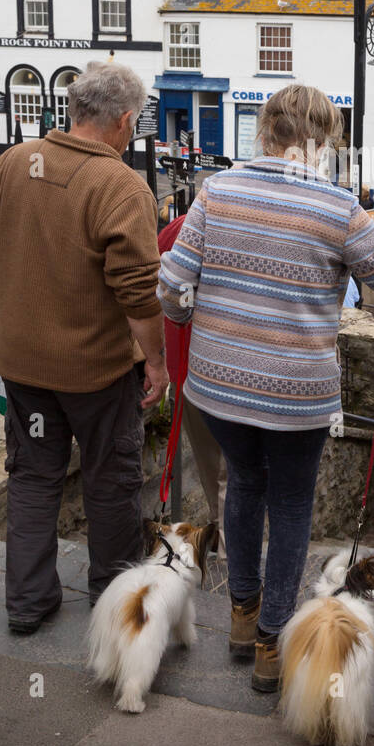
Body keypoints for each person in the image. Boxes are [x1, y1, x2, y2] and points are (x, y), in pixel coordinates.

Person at [157, 84, 374, 692]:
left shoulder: (217, 191)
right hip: (296, 393)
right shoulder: (337, 208)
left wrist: (197, 332)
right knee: (289, 505)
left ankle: (240, 614)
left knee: (243, 485)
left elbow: (171, 288)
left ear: (265, 131)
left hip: (218, 385)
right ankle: (270, 645)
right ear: (323, 139)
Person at [0, 63, 167, 633]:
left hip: (25, 365)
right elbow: (137, 292)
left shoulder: (16, 162)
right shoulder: (122, 186)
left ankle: (27, 604)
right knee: (110, 479)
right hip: (95, 371)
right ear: (124, 121)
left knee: (31, 477)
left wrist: (30, 230)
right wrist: (157, 360)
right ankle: (113, 601)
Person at [158, 213, 227, 557]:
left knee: (213, 470)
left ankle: (226, 544)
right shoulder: (239, 228)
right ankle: (234, 559)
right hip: (226, 371)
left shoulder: (181, 227)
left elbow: (158, 281)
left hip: (187, 372)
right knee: (234, 472)